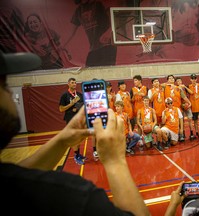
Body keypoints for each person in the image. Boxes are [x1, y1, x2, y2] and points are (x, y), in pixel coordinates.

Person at [0, 51, 150, 215]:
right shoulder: (77, 196)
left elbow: (20, 175)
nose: (9, 93)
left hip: (77, 124)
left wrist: (62, 140)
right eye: (4, 85)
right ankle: (83, 153)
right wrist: (115, 161)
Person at [64, 0, 116, 67]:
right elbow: (70, 32)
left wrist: (108, 33)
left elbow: (114, 19)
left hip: (107, 45)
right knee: (90, 72)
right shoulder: (79, 10)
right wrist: (63, 45)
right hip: (94, 47)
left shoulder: (98, 4)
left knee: (106, 72)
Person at [59, 77, 86, 165]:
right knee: (75, 138)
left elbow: (83, 106)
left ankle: (78, 154)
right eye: (72, 82)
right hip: (70, 120)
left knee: (79, 138)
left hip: (79, 119)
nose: (74, 84)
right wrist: (71, 104)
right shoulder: (65, 95)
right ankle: (76, 156)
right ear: (68, 84)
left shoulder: (79, 95)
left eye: (75, 82)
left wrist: (78, 108)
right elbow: (61, 109)